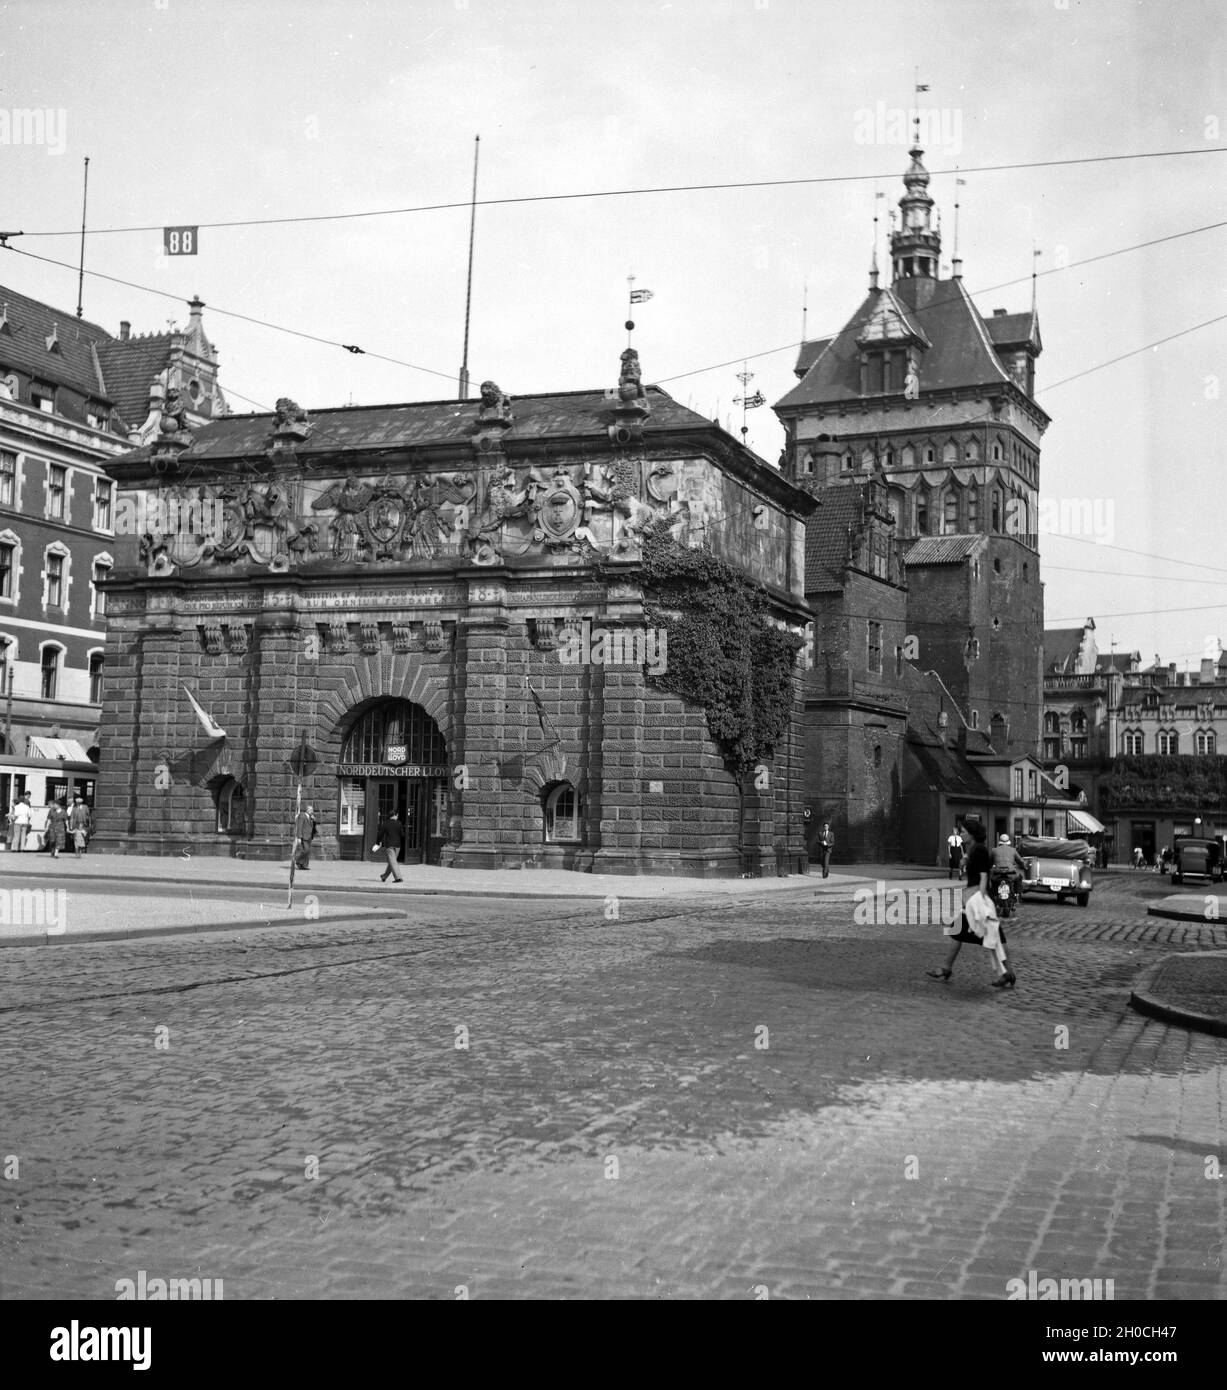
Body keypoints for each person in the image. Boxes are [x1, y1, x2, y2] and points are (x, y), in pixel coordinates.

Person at [926, 818, 1016, 989]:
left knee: (992, 935)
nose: (961, 835)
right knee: (963, 932)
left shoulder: (980, 850)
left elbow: (984, 876)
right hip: (972, 897)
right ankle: (946, 968)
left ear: (972, 835)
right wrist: (965, 860)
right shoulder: (973, 849)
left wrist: (980, 901)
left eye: (964, 832)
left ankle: (1007, 972)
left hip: (978, 898)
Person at [990, 833, 1028, 902]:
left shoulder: (994, 850)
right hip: (1010, 873)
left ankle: (994, 895)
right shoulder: (1013, 850)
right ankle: (1017, 894)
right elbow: (1020, 861)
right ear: (1008, 842)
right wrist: (1024, 866)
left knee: (992, 881)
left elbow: (989, 863)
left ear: (999, 842)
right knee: (1019, 877)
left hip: (997, 874)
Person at [373, 810, 404, 884]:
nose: (397, 817)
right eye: (397, 815)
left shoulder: (386, 823)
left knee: (392, 862)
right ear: (395, 815)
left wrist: (377, 843)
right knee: (393, 861)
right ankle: (398, 877)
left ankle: (385, 876)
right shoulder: (399, 823)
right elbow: (402, 834)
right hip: (397, 846)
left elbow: (380, 834)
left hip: (389, 845)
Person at [293, 803, 317, 870]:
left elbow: (313, 826)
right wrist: (299, 837)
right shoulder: (302, 816)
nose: (312, 811)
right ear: (307, 810)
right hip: (304, 836)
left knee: (308, 851)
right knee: (306, 850)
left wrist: (313, 820)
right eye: (311, 809)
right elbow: (300, 827)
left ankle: (304, 865)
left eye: (312, 810)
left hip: (309, 836)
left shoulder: (310, 817)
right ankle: (298, 861)